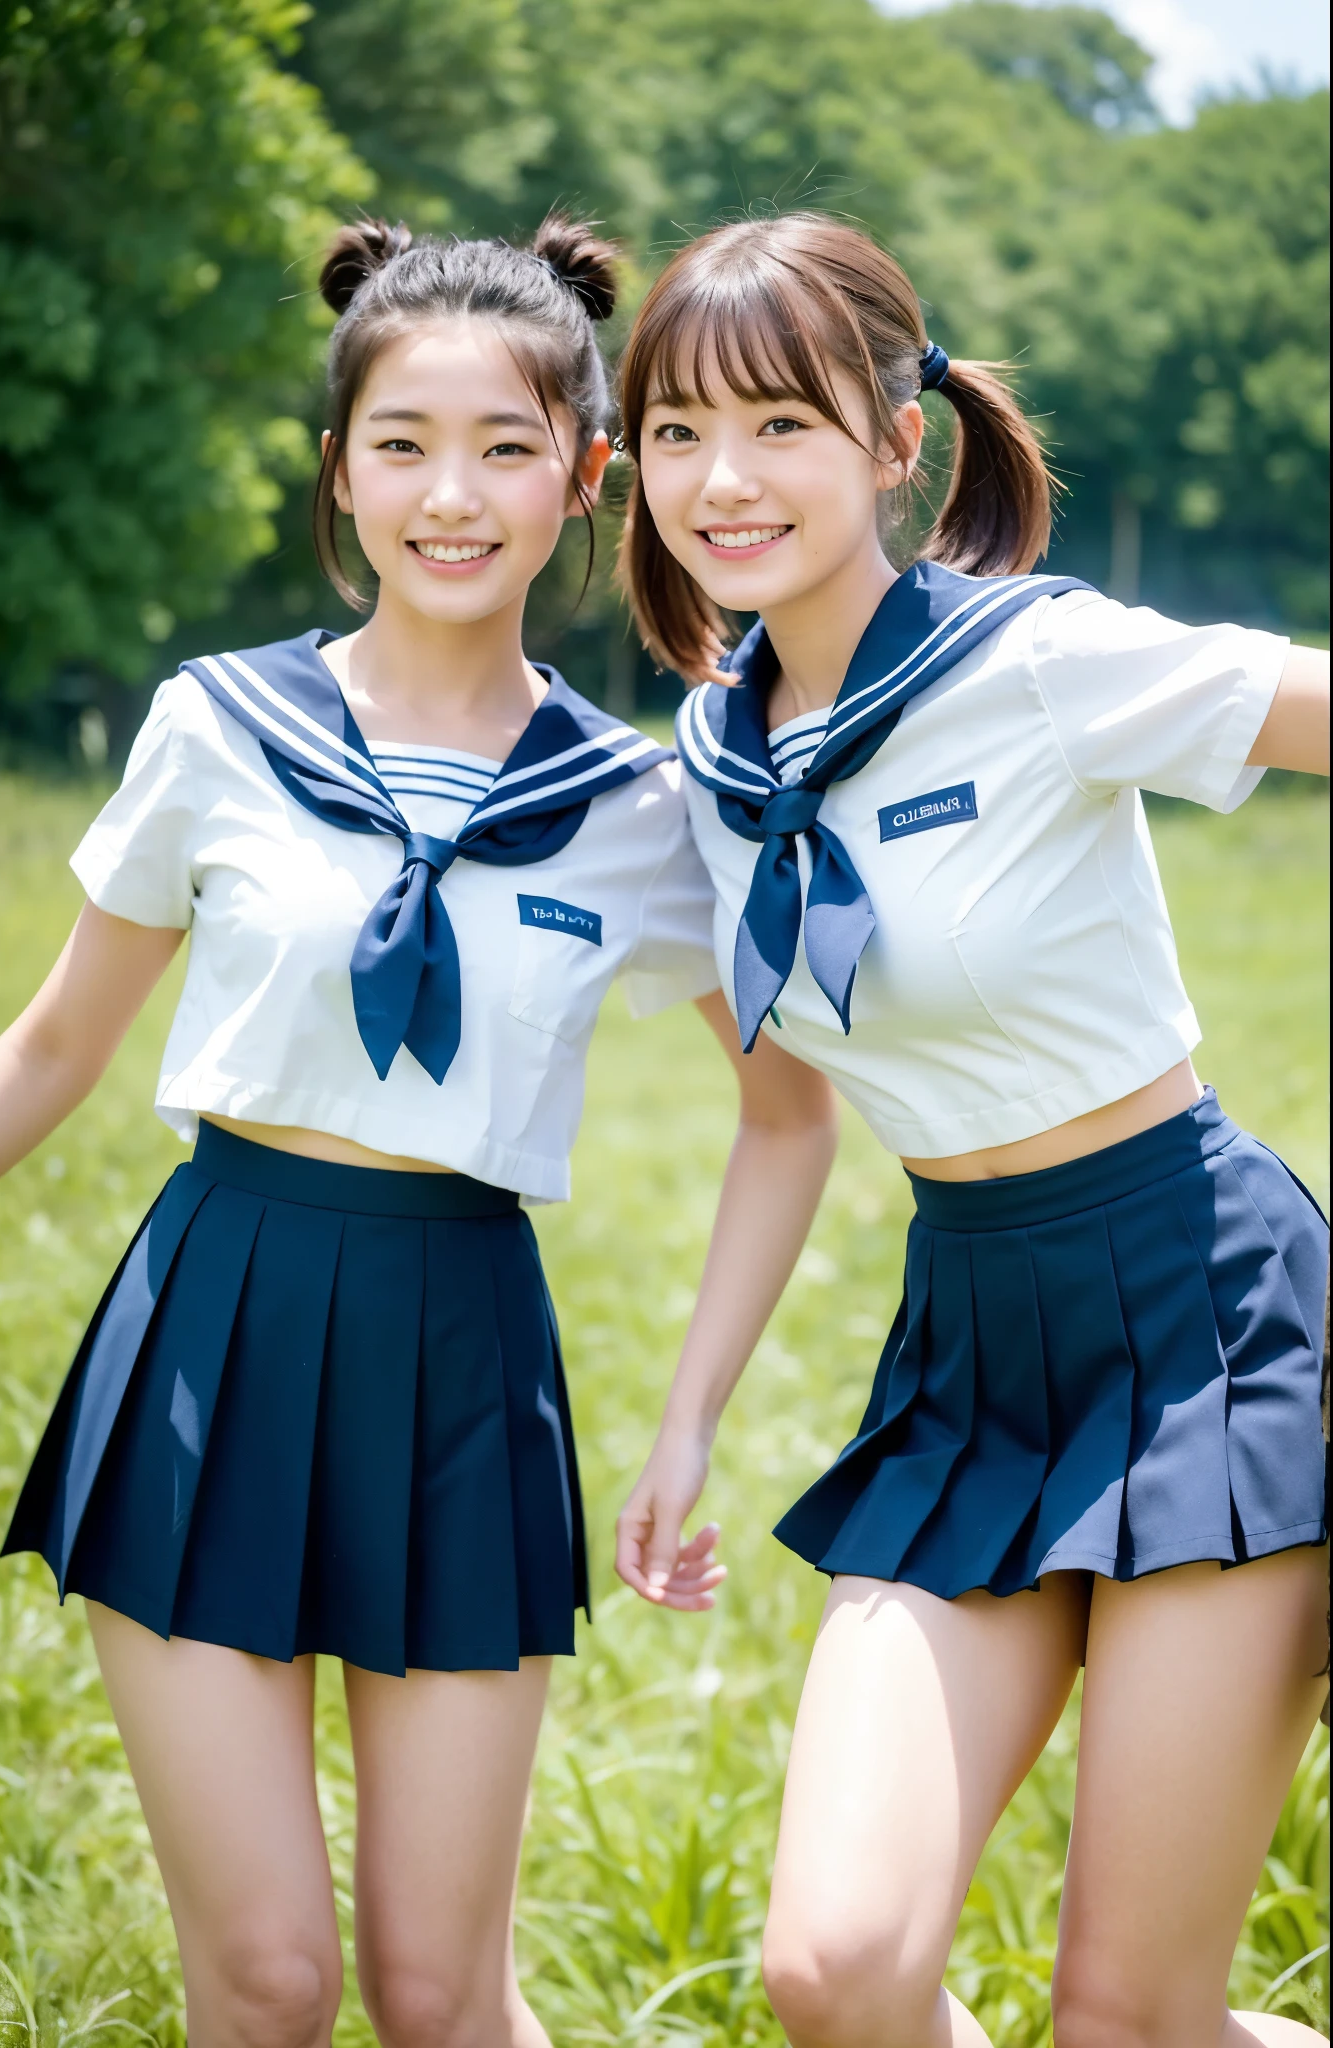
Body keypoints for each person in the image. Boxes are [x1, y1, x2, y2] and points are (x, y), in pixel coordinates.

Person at [0, 213, 837, 2048]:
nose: (454, 496)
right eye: (404, 446)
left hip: (465, 1357)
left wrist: (690, 1416)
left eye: (508, 449)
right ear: (340, 471)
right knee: (271, 1981)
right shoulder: (214, 725)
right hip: (217, 1327)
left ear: (587, 478)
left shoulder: (639, 803)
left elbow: (787, 1117)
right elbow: (52, 1046)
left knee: (444, 1996)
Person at [613, 212, 1330, 2048]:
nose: (725, 478)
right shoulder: (713, 763)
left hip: (1205, 1320)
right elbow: (785, 1123)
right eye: (680, 430)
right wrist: (687, 1418)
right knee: (835, 1972)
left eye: (777, 423)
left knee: (1128, 2014)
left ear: (890, 435)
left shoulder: (1040, 661)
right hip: (973, 1346)